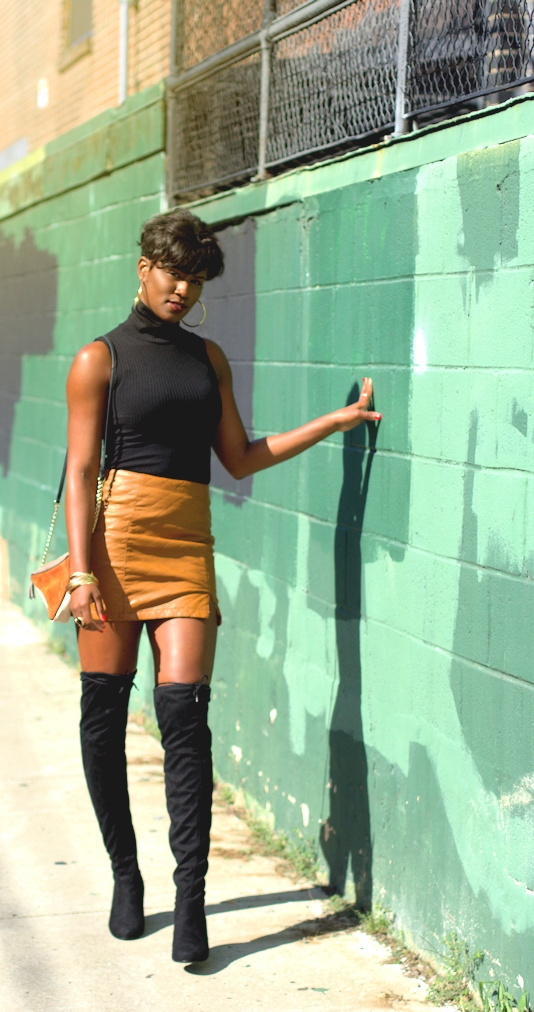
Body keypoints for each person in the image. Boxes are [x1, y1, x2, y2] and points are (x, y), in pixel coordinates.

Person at [65, 209, 381, 964]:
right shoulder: (98, 359)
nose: (182, 288)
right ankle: (125, 875)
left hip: (185, 550)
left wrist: (330, 424)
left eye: (196, 279)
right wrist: (80, 571)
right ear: (144, 267)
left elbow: (238, 457)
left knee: (185, 717)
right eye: (173, 273)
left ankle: (192, 901)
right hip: (112, 550)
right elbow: (79, 470)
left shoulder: (209, 360)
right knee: (103, 721)